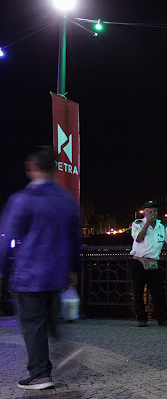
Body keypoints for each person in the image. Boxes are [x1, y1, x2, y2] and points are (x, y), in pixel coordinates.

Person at [0, 147, 80, 390]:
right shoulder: (67, 200)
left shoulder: (23, 199)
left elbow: (7, 239)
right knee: (46, 318)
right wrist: (72, 270)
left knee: (32, 322)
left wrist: (2, 270)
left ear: (31, 168)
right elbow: (75, 240)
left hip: (29, 273)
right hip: (56, 274)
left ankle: (39, 373)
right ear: (54, 169)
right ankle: (63, 352)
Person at [130, 200, 167, 327]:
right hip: (139, 262)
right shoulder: (137, 224)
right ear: (144, 213)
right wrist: (147, 223)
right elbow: (138, 238)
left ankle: (162, 319)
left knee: (158, 292)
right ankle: (142, 319)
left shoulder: (161, 227)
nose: (153, 214)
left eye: (155, 211)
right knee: (138, 292)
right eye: (150, 211)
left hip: (153, 263)